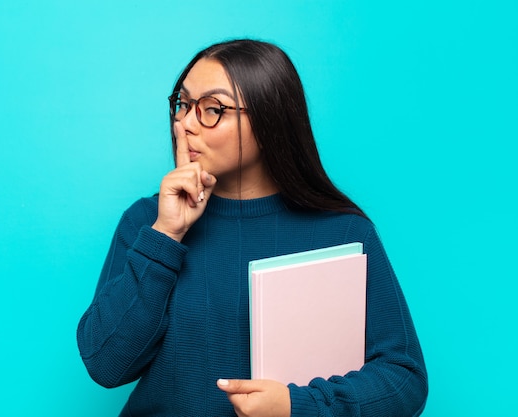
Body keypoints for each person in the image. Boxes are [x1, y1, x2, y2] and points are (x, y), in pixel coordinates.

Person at [77, 39, 428, 416]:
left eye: (212, 109)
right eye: (183, 104)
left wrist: (298, 406)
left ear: (269, 120)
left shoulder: (344, 234)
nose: (185, 123)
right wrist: (167, 234)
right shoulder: (147, 222)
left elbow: (403, 378)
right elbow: (105, 364)